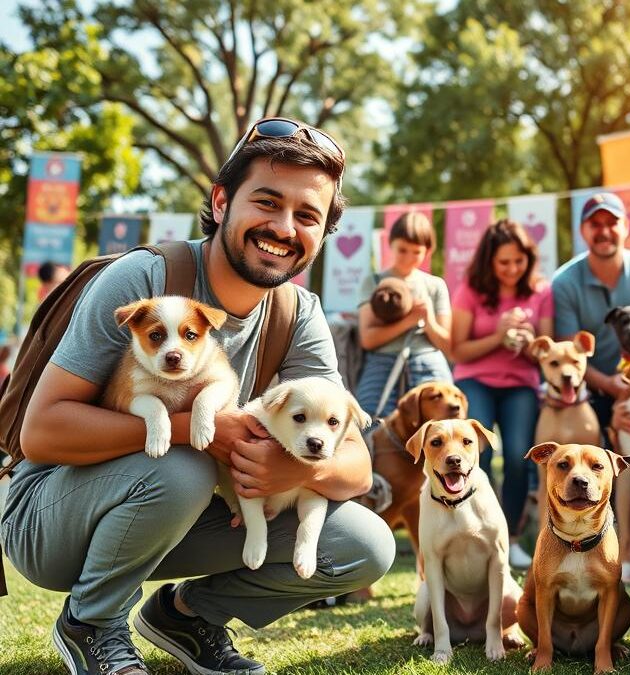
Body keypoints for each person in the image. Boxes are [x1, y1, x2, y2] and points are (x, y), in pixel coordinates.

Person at [1, 118, 395, 675]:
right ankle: (91, 622)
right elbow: (41, 434)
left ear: (322, 233)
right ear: (220, 201)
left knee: (363, 544)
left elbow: (355, 466)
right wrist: (194, 430)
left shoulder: (298, 314)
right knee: (182, 465)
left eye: (308, 216)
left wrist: (294, 470)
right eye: (267, 202)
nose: (284, 227)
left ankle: (186, 616)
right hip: (51, 517)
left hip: (183, 511)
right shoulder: (146, 280)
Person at [450, 219, 553, 569]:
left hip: (521, 384)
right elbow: (458, 350)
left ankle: (510, 537)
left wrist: (528, 342)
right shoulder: (471, 289)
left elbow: (546, 353)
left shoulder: (541, 291)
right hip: (475, 380)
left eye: (518, 261)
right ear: (489, 261)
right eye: (504, 262)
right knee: (475, 453)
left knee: (518, 458)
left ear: (529, 259)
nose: (512, 269)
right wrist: (499, 336)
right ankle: (472, 533)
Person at [551, 192, 630, 435]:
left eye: (612, 223)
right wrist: (609, 385)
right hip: (590, 390)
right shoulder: (564, 282)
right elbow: (568, 353)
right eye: (595, 224)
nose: (604, 231)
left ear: (626, 226)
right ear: (582, 231)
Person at [355, 212, 452, 417]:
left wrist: (428, 320)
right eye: (402, 250)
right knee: (370, 422)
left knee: (441, 424)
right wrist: (410, 319)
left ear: (428, 251)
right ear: (390, 244)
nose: (408, 258)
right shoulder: (373, 282)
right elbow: (368, 339)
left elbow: (446, 344)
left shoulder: (435, 285)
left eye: (416, 252)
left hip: (428, 362)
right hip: (382, 363)